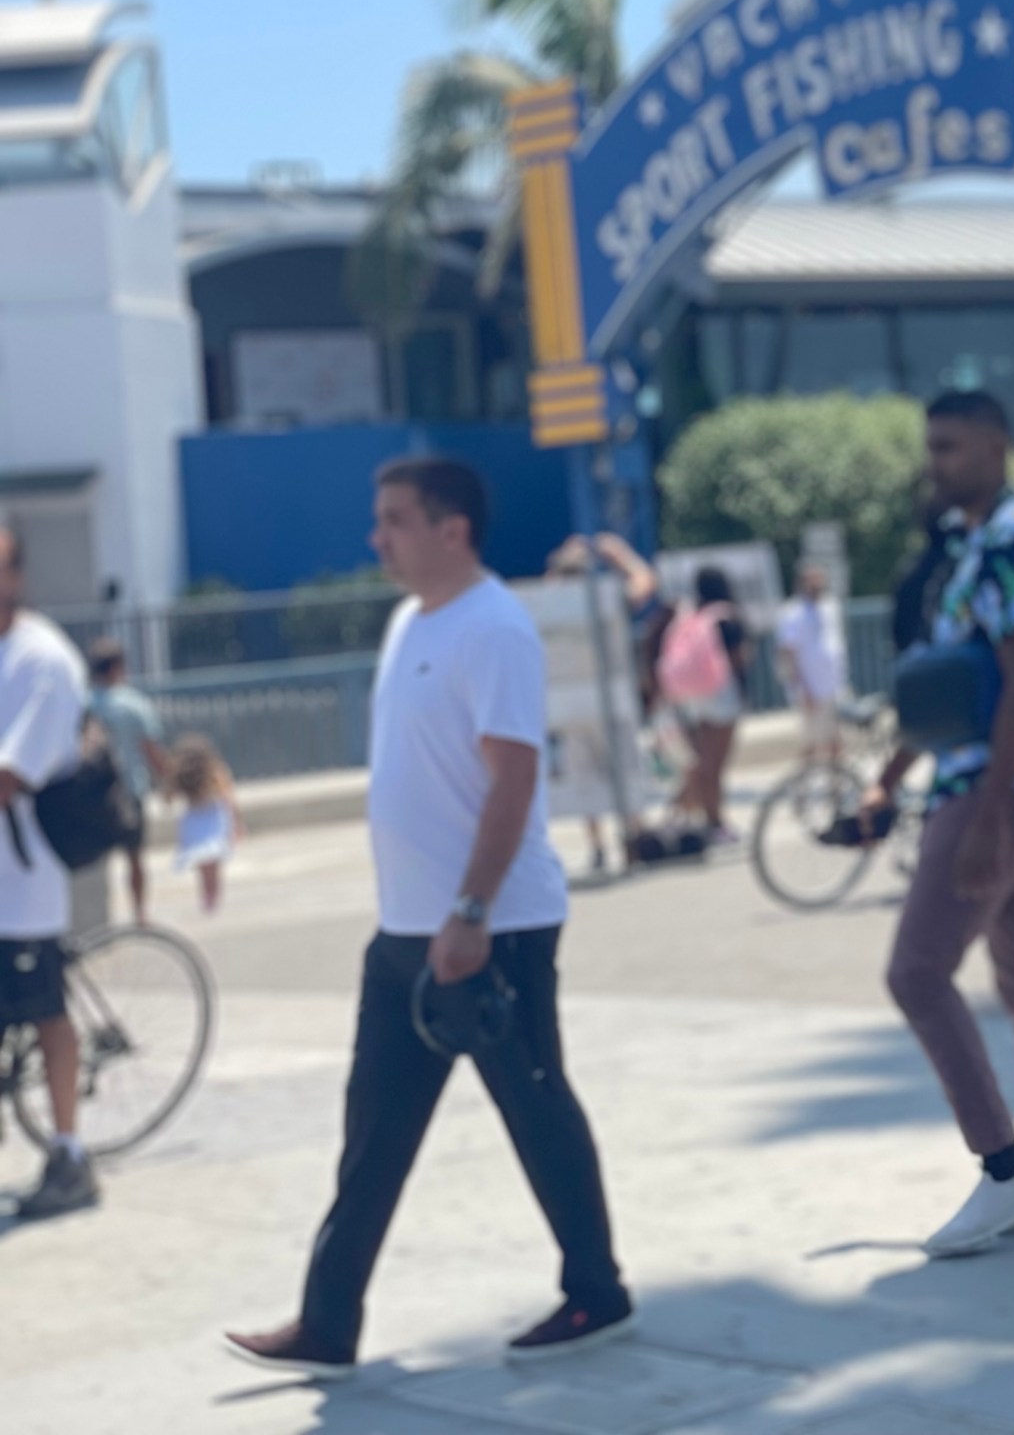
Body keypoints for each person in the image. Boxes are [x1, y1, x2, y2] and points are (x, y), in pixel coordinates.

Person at [227, 457, 632, 1376]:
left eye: (396, 520)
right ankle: (328, 1325)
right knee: (373, 1130)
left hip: (492, 927)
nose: (378, 538)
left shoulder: (495, 629)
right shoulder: (408, 620)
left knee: (535, 1106)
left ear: (454, 530)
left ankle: (597, 1292)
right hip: (406, 932)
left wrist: (471, 913)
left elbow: (515, 779)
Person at [863, 391, 1014, 1256]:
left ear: (997, 444)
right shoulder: (975, 541)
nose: (936, 462)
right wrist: (888, 778)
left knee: (917, 972)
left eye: (951, 446)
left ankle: (1004, 1166)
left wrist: (991, 814)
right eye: (933, 446)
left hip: (997, 788)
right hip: (997, 781)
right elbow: (960, 689)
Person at [0, 525, 102, 1220]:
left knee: (46, 1017)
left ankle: (69, 1152)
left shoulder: (43, 661)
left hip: (23, 883)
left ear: (16, 576)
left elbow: (12, 774)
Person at [545, 532, 664, 874]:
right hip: (611, 703)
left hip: (571, 707)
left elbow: (551, 582)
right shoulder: (604, 601)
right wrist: (620, 555)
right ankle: (634, 836)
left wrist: (562, 559)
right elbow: (645, 582)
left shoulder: (549, 608)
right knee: (625, 770)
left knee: (583, 778)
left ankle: (597, 845)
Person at [657, 565, 748, 844]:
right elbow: (739, 658)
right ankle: (714, 822)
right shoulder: (726, 617)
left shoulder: (691, 616)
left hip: (690, 698)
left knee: (699, 763)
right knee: (713, 766)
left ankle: (678, 815)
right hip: (720, 695)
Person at [86, 636, 167, 924]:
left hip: (90, 792)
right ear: (118, 667)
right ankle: (140, 912)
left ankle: (93, 915)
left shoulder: (83, 703)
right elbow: (150, 749)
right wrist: (166, 782)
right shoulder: (133, 704)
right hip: (129, 789)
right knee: (135, 856)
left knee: (93, 856)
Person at [774, 564, 848, 768]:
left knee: (836, 741)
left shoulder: (830, 606)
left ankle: (837, 791)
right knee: (810, 744)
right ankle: (803, 793)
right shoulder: (792, 612)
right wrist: (801, 689)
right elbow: (788, 653)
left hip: (832, 685)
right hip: (810, 688)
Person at [166, 734, 240, 915]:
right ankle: (212, 895)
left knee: (202, 865)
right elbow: (228, 795)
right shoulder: (213, 770)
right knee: (213, 864)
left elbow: (168, 797)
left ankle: (207, 895)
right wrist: (237, 822)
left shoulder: (180, 772)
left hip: (193, 819)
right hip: (212, 818)